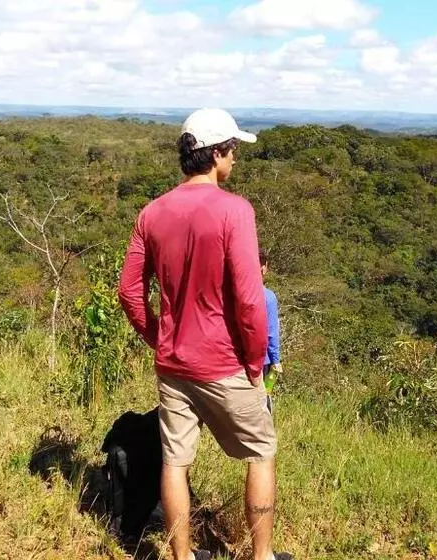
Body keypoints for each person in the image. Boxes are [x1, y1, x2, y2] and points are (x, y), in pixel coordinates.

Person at [119, 108, 292, 560]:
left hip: (173, 365)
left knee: (175, 460)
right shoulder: (235, 210)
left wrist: (158, 338)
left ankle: (181, 556)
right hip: (225, 361)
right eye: (232, 150)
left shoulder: (152, 213)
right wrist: (254, 361)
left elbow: (129, 291)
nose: (235, 158)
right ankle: (262, 555)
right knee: (261, 451)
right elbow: (250, 299)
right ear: (215, 154)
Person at [260, 249, 282, 410]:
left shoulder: (230, 293)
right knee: (262, 401)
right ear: (263, 268)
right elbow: (271, 333)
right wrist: (276, 360)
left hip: (233, 361)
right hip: (262, 360)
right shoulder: (268, 297)